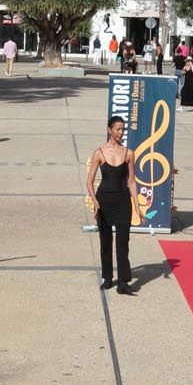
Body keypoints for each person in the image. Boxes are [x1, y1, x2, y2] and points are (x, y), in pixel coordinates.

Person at [85, 114, 135, 295]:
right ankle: (107, 278)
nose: (121, 132)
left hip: (123, 201)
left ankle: (123, 282)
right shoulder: (99, 153)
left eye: (123, 129)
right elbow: (89, 182)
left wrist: (137, 206)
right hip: (104, 201)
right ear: (109, 130)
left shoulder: (129, 153)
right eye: (118, 129)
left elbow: (132, 182)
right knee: (105, 241)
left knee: (123, 242)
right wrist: (95, 202)